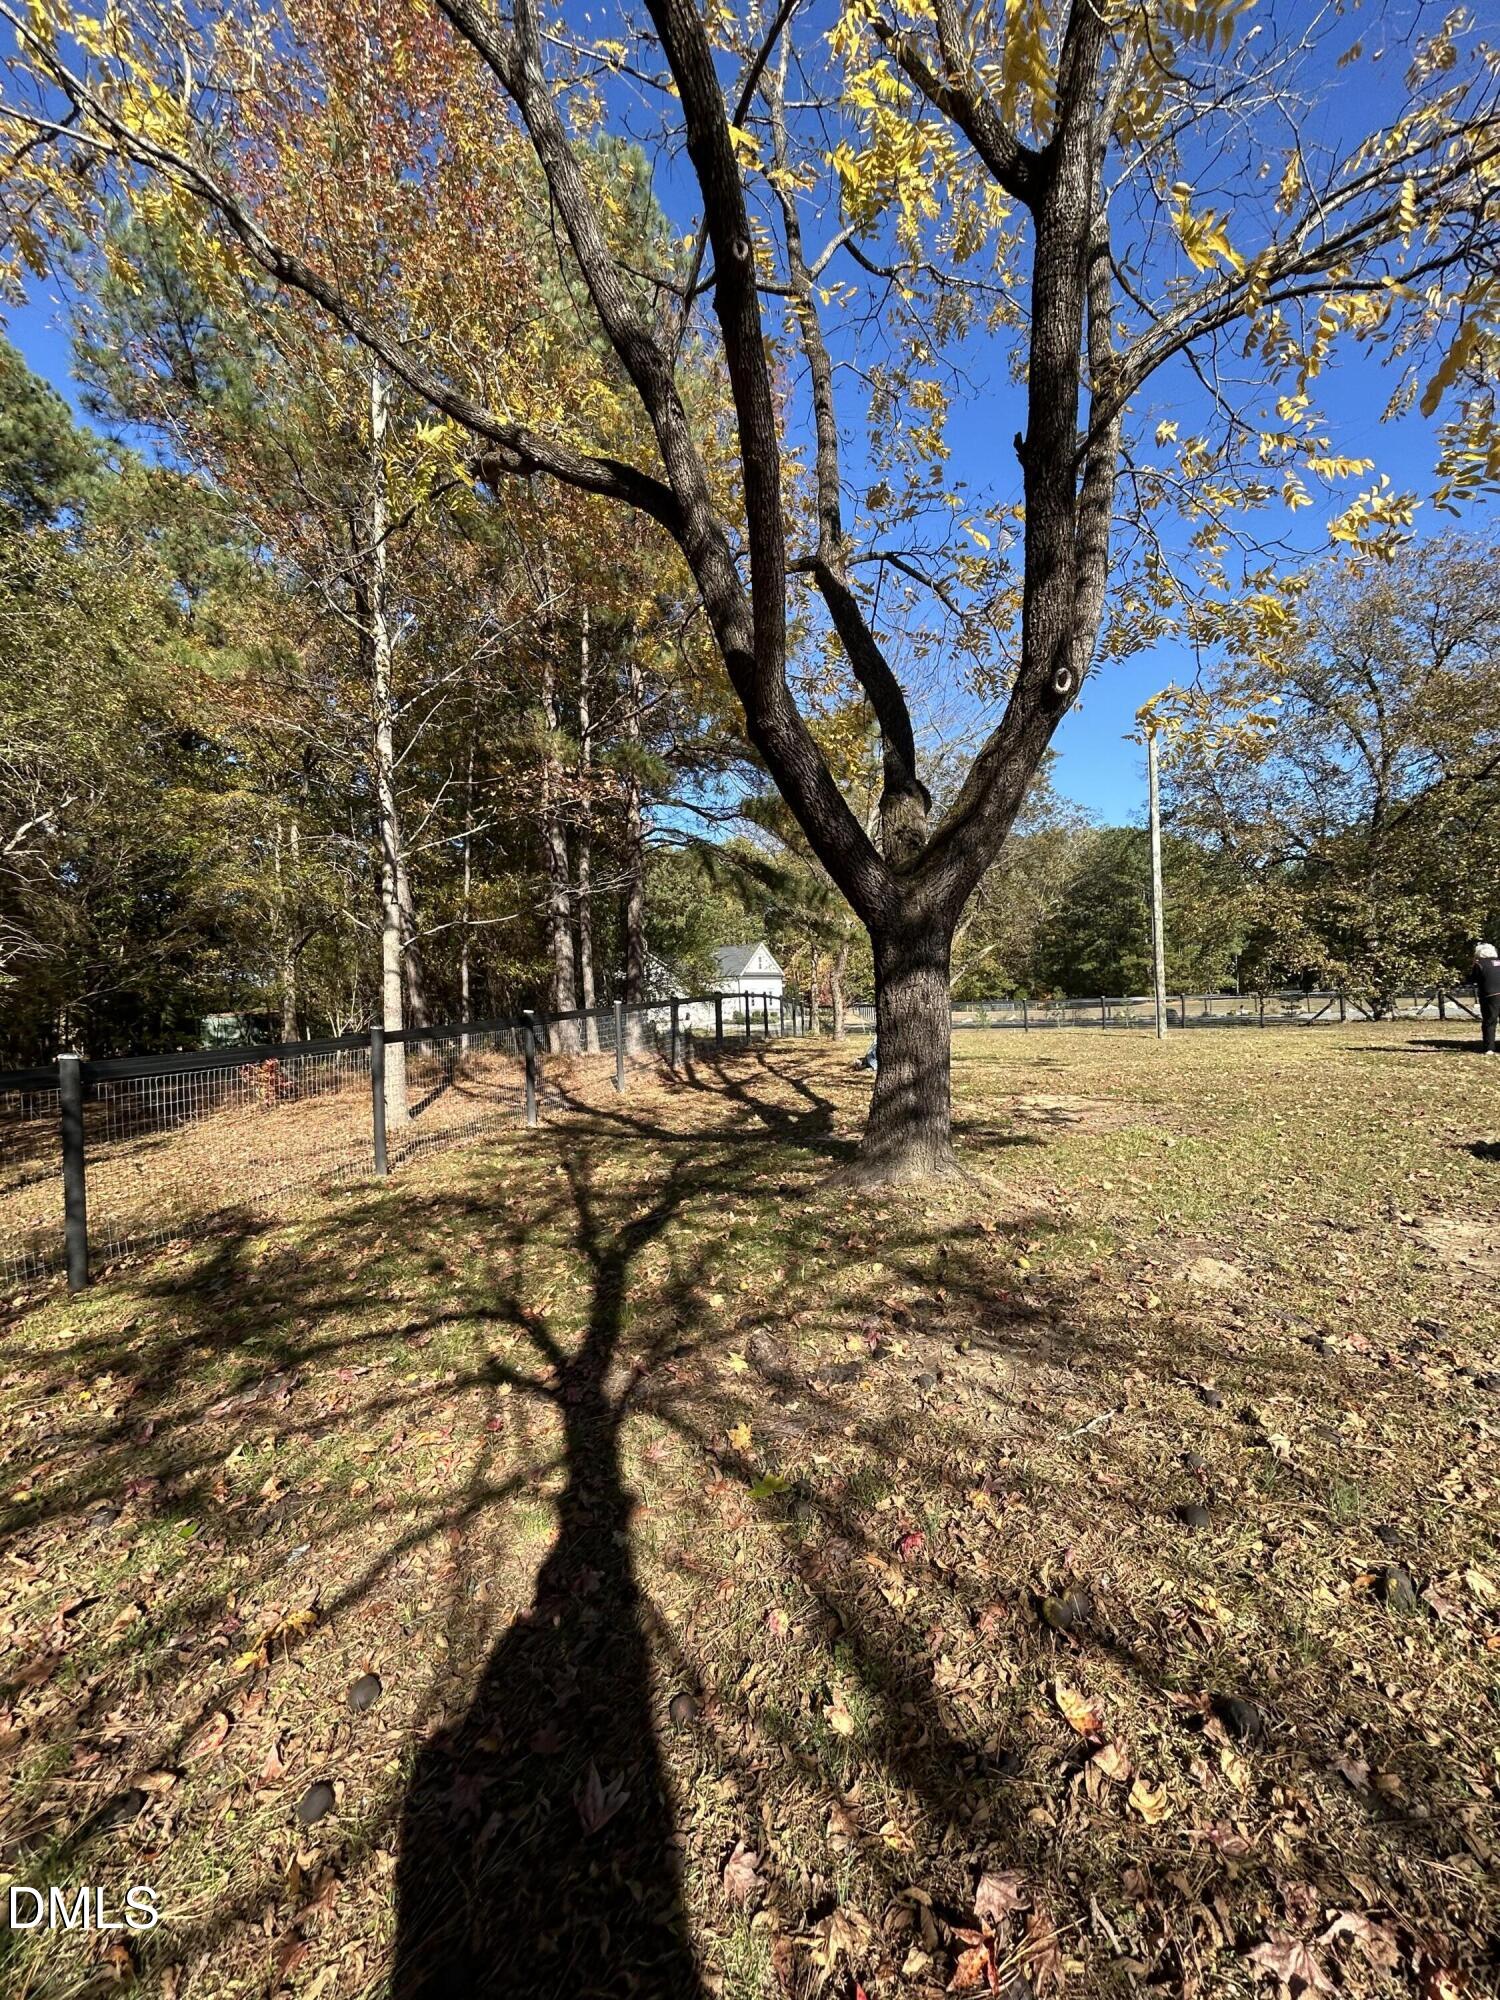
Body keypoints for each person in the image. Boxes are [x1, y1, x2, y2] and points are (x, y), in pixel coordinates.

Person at [1475, 943, 1500, 1056]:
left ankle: (1489, 1048)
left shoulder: (1479, 964)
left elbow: (1473, 978)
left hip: (1490, 995)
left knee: (1490, 1021)